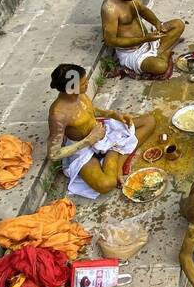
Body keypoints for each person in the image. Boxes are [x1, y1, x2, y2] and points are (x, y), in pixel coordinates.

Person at [46, 63, 162, 199]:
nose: (87, 83)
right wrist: (88, 140)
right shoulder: (58, 115)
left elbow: (90, 110)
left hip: (101, 132)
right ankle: (114, 152)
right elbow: (53, 154)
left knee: (149, 121)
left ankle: (113, 153)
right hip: (83, 148)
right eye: (83, 83)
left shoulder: (79, 94)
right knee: (106, 184)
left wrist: (112, 114)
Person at [101, 0, 185, 77]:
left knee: (178, 24)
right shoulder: (110, 9)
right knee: (160, 67)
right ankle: (163, 53)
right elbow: (110, 41)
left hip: (148, 40)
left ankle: (159, 52)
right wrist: (145, 39)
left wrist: (157, 23)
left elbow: (143, 10)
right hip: (132, 52)